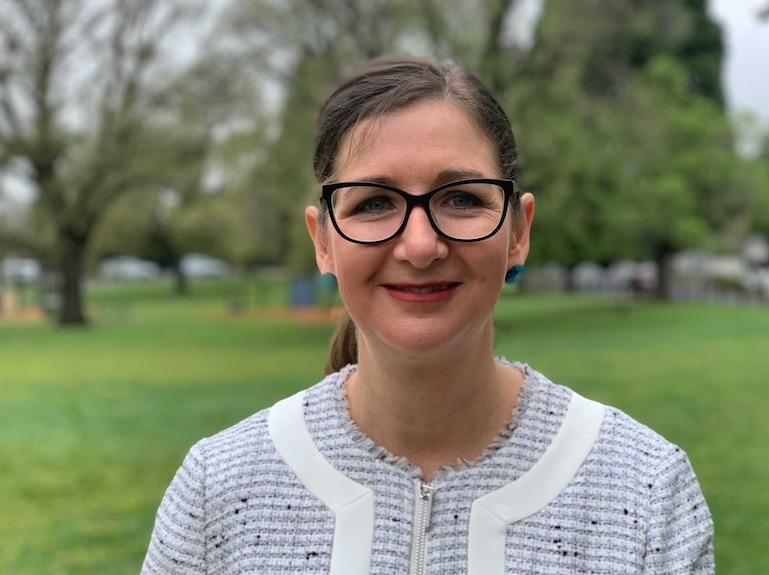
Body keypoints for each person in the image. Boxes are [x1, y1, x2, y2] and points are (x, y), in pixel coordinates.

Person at [141, 55, 714, 575]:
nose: (420, 246)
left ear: (518, 231)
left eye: (462, 198)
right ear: (323, 242)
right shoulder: (217, 490)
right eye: (373, 203)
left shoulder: (646, 490)